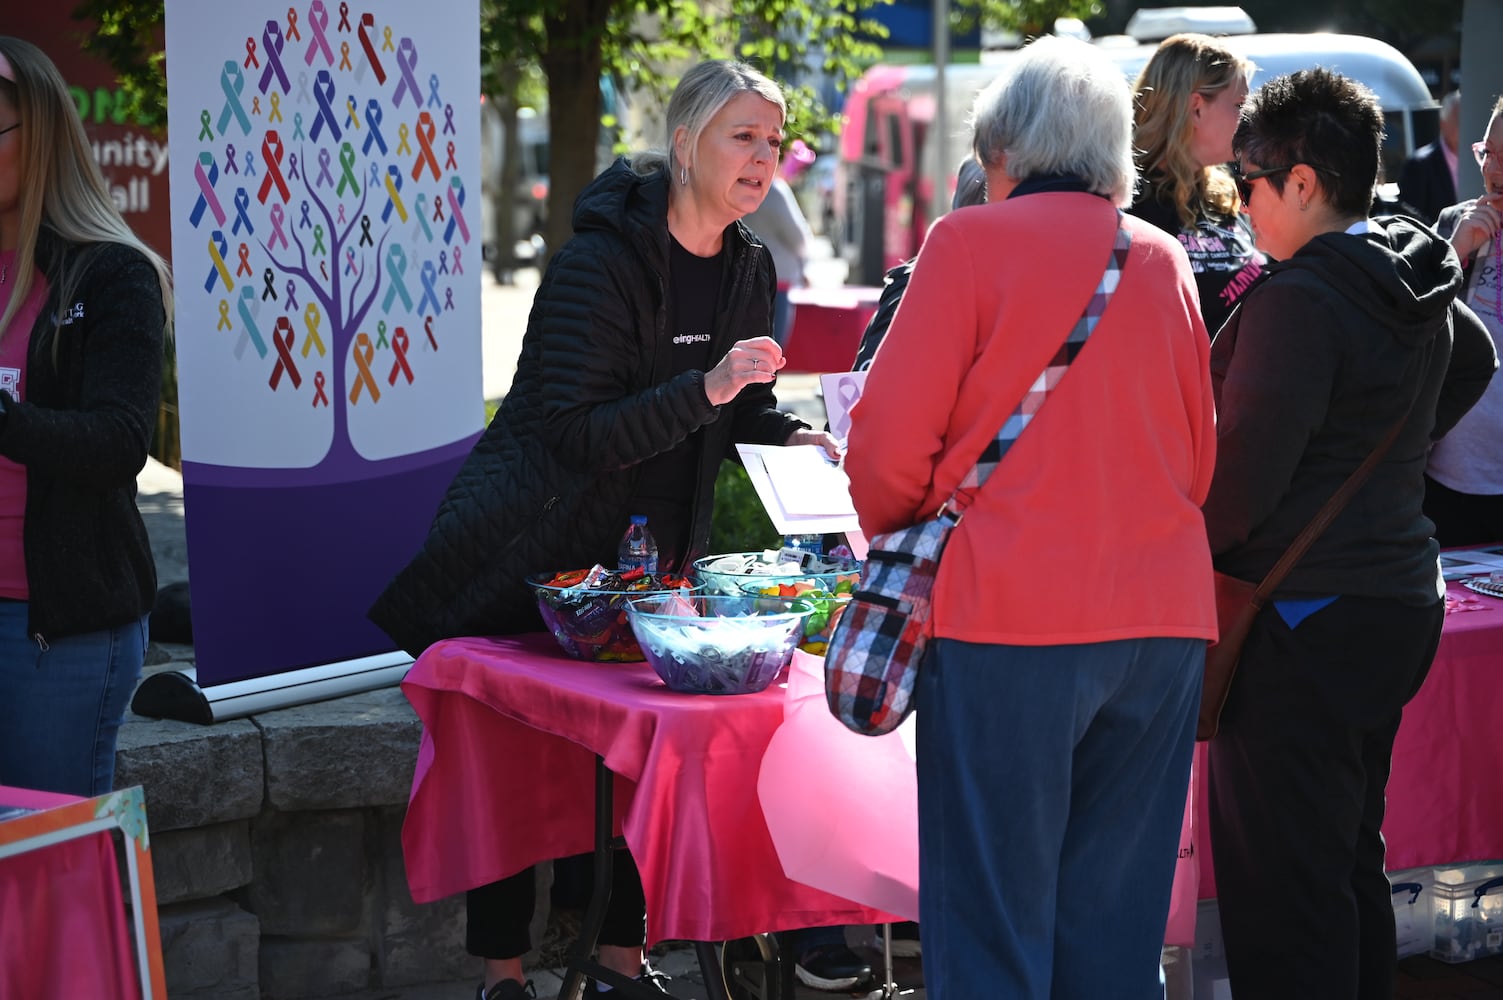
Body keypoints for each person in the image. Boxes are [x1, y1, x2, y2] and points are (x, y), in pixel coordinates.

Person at [368, 60, 837, 1000]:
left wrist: (797, 435)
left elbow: (735, 414)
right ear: (685, 143)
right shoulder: (598, 262)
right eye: (742, 137)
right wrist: (705, 387)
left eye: (773, 142)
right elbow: (574, 431)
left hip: (654, 568)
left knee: (635, 767)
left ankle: (623, 963)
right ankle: (503, 974)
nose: (762, 159)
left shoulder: (750, 265)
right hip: (530, 554)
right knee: (507, 764)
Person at [842, 35, 1217, 999]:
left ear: (1000, 152)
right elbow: (1198, 456)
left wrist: (909, 531)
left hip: (1008, 618)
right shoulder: (1163, 257)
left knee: (989, 921)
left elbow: (884, 449)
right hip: (1161, 623)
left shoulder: (965, 242)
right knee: (1116, 925)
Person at [1204, 69, 1495, 999]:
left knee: (1288, 888)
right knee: (1343, 861)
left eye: (1244, 179)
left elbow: (1238, 487)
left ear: (1300, 182)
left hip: (1306, 613)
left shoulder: (1304, 296)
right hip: (1391, 596)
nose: (1238, 198)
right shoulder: (1404, 263)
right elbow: (1475, 359)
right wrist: (1384, 450)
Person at [0, 37, 172, 798]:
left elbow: (119, 440)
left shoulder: (112, 272)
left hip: (56, 629)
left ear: (37, 135)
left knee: (49, 869)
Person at [1130, 32, 1264, 338]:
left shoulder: (1223, 191)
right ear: (1196, 108)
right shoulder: (1129, 204)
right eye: (1240, 106)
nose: (1250, 121)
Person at [1425, 96, 1503, 547]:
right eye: (1486, 152)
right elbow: (1411, 322)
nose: (1491, 167)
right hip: (1448, 481)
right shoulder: (1456, 223)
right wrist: (1455, 252)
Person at [742, 174, 814, 347]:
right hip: (775, 277)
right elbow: (797, 237)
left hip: (743, 274)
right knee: (771, 349)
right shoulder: (774, 189)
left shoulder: (737, 184)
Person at [1398, 90, 1462, 225]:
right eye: (1459, 120)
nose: (1465, 126)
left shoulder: (1481, 159)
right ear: (1443, 123)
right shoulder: (1419, 165)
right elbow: (1412, 220)